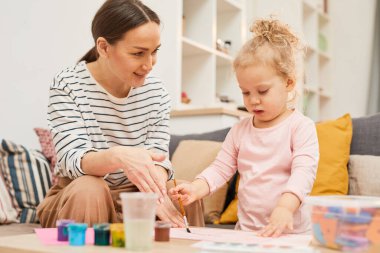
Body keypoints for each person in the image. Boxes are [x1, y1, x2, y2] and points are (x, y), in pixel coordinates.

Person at [37, 0, 204, 228]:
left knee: (181, 195)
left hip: (135, 195)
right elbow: (71, 160)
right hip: (79, 192)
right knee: (90, 190)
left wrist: (154, 192)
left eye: (154, 52)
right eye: (138, 53)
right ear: (104, 47)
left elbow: (159, 159)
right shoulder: (68, 84)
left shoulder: (156, 91)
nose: (149, 64)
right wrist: (118, 157)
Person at [169, 18, 319, 237]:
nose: (253, 100)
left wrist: (285, 207)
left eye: (262, 91)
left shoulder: (300, 127)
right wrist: (196, 188)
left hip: (291, 233)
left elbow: (303, 173)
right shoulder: (239, 131)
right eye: (245, 92)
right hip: (247, 233)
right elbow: (220, 169)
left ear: (288, 83)